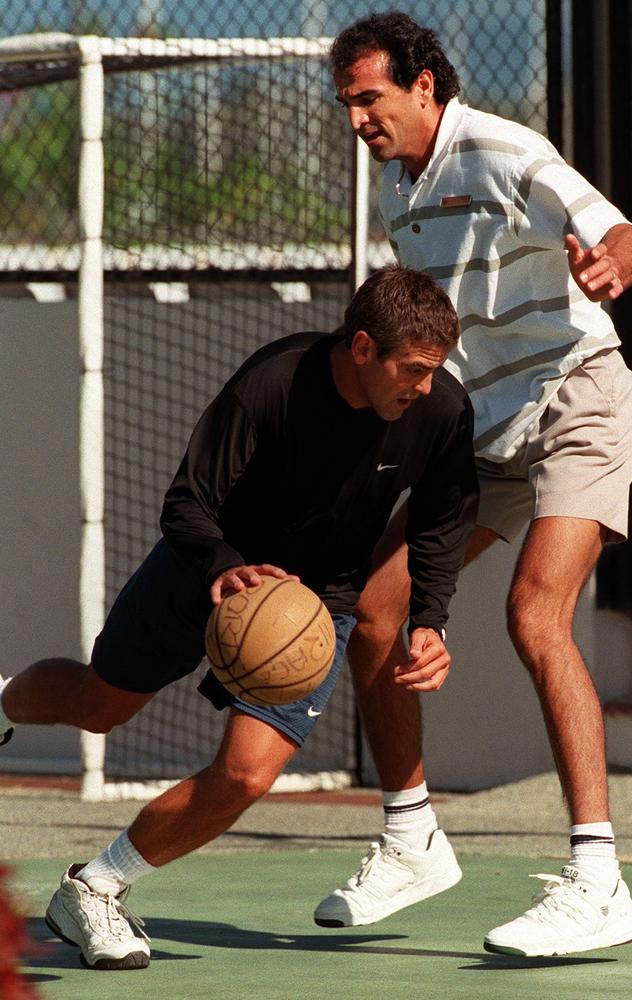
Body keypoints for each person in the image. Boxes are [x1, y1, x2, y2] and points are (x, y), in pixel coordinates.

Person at [0, 265, 478, 970]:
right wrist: (224, 563)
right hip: (207, 568)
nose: (424, 386)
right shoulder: (276, 381)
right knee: (99, 706)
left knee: (249, 773)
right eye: (412, 368)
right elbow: (186, 499)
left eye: (435, 370)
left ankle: (95, 886)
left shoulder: (439, 413)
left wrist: (431, 619)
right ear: (363, 348)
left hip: (313, 607)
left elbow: (441, 521)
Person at [316, 11, 632, 958]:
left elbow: (624, 232)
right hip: (487, 432)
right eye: (346, 104)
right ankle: (412, 835)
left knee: (536, 614)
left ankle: (598, 881)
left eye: (369, 99)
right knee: (376, 608)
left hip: (580, 400)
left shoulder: (506, 150)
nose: (357, 121)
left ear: (425, 87)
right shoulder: (397, 194)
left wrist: (609, 265)